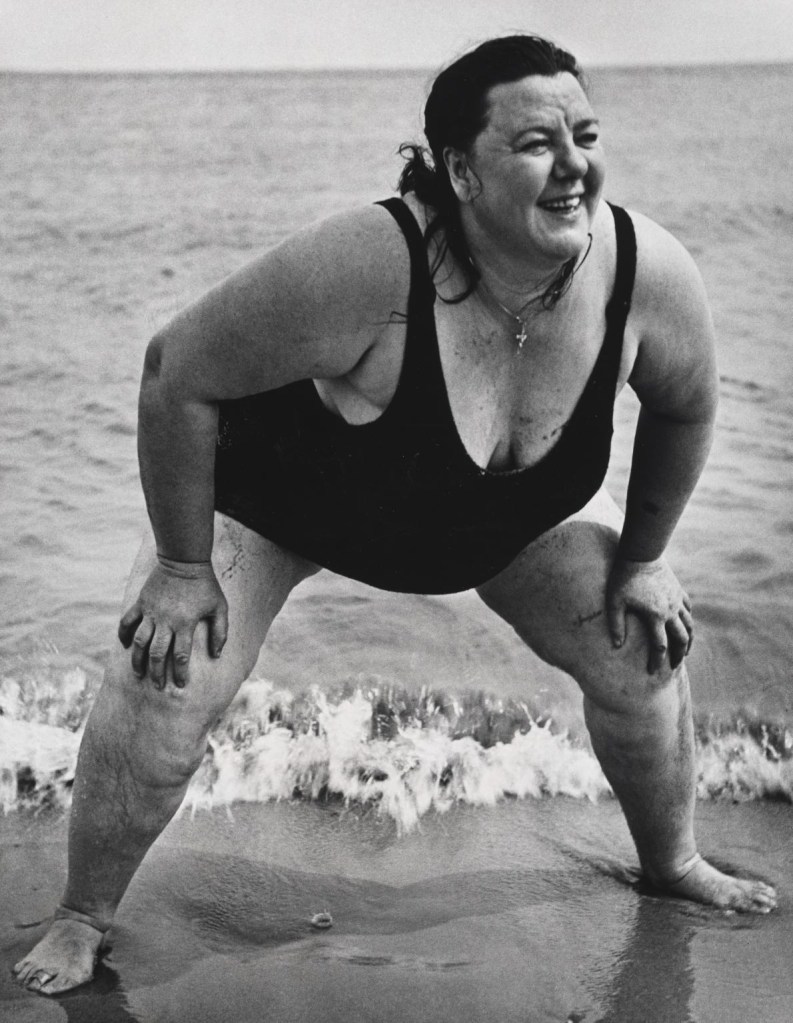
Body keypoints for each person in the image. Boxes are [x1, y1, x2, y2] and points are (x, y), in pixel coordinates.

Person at [13, 33, 777, 997]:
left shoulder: (644, 273)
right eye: (536, 142)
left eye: (586, 132)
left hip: (501, 518)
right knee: (168, 670)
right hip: (283, 504)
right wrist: (179, 563)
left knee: (642, 644)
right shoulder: (372, 263)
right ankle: (85, 914)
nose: (575, 162)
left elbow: (687, 403)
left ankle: (671, 862)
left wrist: (644, 556)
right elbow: (176, 371)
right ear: (459, 168)